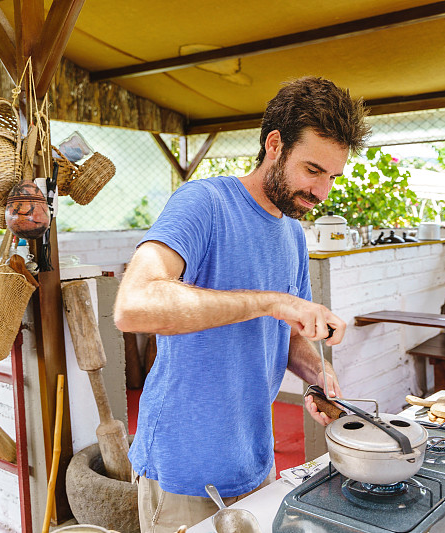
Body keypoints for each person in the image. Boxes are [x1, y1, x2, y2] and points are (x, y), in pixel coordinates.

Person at [113, 76, 371, 530]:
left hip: (255, 462)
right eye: (312, 170)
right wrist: (271, 302)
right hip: (183, 472)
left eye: (332, 176)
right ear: (274, 144)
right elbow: (134, 304)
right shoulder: (204, 203)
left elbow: (287, 334)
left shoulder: (292, 233)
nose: (322, 193)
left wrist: (318, 374)